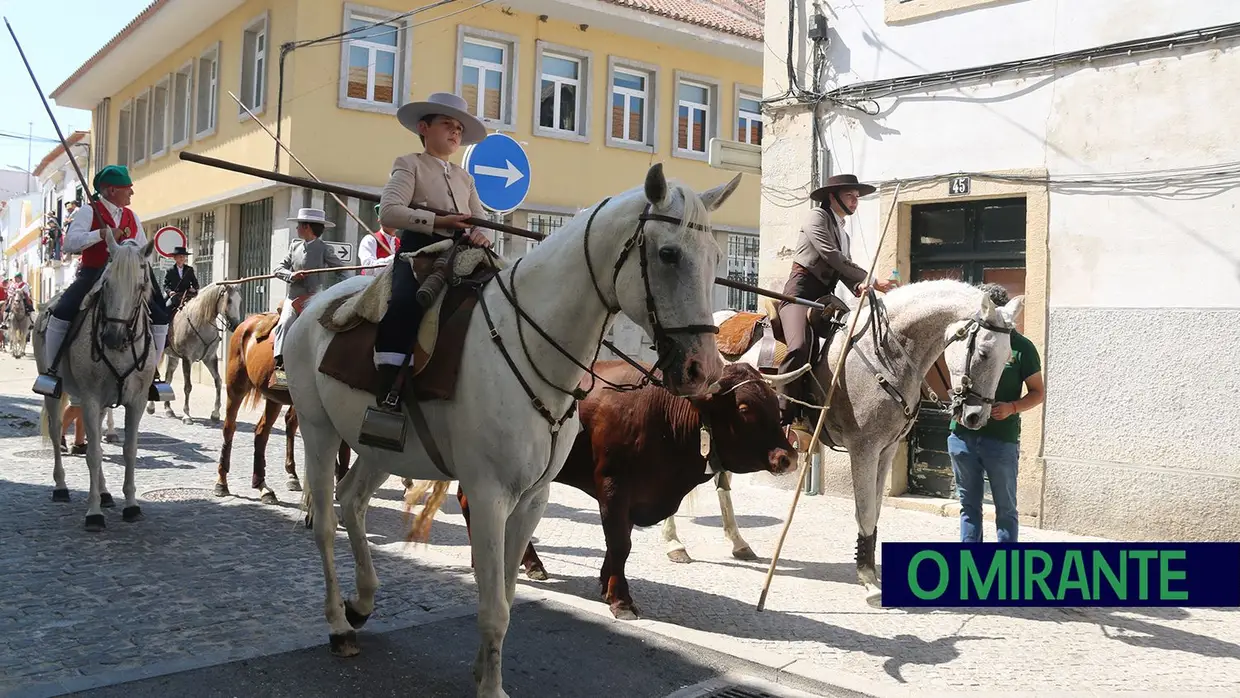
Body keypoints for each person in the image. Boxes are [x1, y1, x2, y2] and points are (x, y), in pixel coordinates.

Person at [373, 91, 493, 402]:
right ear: (424, 128)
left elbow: (481, 220)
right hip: (418, 252)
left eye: (459, 128)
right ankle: (388, 388)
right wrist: (438, 222)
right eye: (447, 124)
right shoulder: (409, 164)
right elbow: (390, 211)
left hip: (463, 253)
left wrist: (482, 234)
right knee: (403, 303)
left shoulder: (465, 177)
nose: (455, 131)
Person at [773, 174, 898, 431]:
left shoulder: (844, 234)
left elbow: (842, 270)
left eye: (857, 197)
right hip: (799, 295)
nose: (855, 202)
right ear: (833, 196)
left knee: (848, 347)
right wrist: (872, 279)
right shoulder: (816, 217)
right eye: (850, 196)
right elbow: (831, 257)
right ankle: (782, 412)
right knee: (799, 346)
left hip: (824, 302)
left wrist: (858, 286)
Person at [34, 165, 170, 400]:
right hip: (94, 272)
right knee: (62, 311)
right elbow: (70, 244)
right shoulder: (89, 212)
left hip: (127, 276)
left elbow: (141, 246)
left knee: (161, 315)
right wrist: (101, 235)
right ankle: (51, 372)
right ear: (111, 190)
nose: (131, 194)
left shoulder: (131, 216)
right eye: (128, 189)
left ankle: (151, 374)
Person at [948, 282, 1044, 543]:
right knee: (968, 508)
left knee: (1006, 510)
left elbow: (1038, 392)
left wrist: (1012, 408)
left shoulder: (1022, 347)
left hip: (1001, 440)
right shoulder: (966, 340)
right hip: (962, 437)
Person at [270, 207, 351, 389]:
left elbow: (342, 271)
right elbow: (278, 269)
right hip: (294, 298)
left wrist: (341, 290)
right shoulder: (294, 246)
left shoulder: (324, 249)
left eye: (299, 225)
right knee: (284, 323)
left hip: (315, 299)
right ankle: (280, 368)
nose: (297, 228)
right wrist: (292, 276)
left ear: (307, 227)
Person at [358, 204, 401, 276]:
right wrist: (395, 258)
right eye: (388, 217)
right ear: (379, 219)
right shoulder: (370, 240)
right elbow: (369, 270)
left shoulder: (401, 244)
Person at [163, 245, 199, 317]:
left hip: (187, 294)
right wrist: (170, 292)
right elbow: (165, 285)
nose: (182, 258)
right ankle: (166, 326)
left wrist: (194, 288)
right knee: (166, 308)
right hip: (175, 295)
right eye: (180, 256)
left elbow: (195, 283)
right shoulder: (170, 270)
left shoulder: (189, 269)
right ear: (175, 258)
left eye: (183, 256)